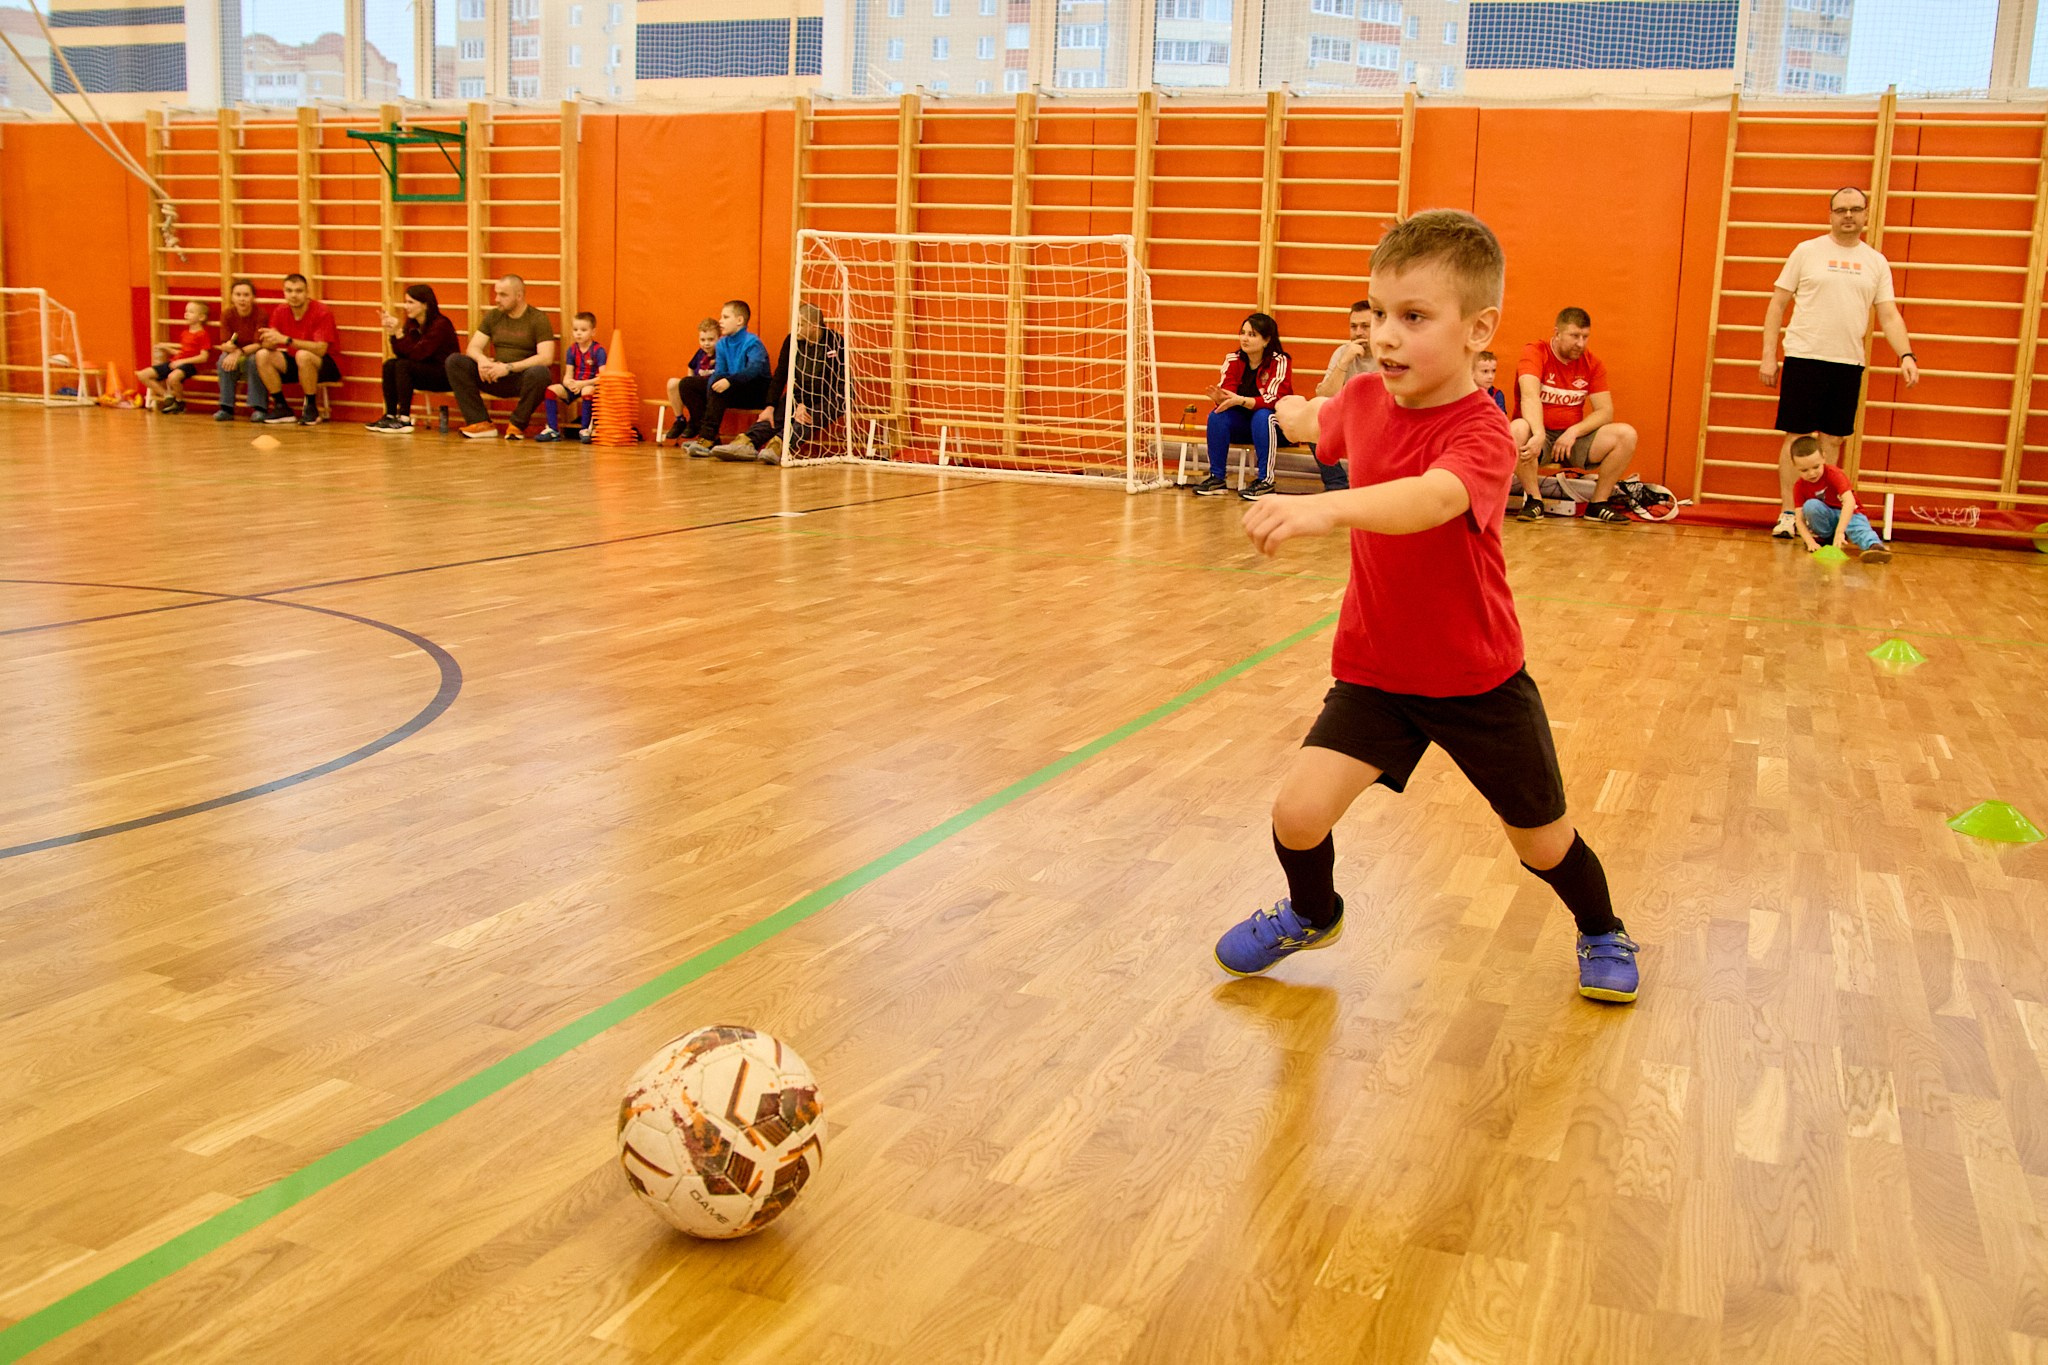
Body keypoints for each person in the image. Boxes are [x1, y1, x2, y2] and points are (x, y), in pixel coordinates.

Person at [1214, 208, 1638, 1004]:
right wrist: (1291, 411)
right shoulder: (1368, 397)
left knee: (1542, 842)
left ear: (1480, 329)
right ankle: (1314, 910)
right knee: (1298, 814)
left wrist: (1324, 509)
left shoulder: (1480, 432)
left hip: (1477, 680)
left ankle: (1602, 927)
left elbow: (1431, 497)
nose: (1386, 335)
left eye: (1414, 317)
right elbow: (1324, 420)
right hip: (1377, 670)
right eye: (1378, 314)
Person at [1761, 187, 1919, 540]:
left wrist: (1906, 354)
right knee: (1797, 438)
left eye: (1855, 209)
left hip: (1847, 362)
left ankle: (1823, 519)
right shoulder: (1807, 251)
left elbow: (1889, 315)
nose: (1848, 215)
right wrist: (1768, 355)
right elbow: (1777, 305)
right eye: (1841, 210)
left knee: (1832, 440)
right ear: (1830, 214)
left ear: (1866, 215)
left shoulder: (1875, 262)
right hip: (1805, 355)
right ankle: (1789, 513)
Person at [1511, 308, 1638, 523]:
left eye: (1585, 337)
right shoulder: (1535, 352)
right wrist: (1539, 434)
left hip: (1571, 441)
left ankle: (1598, 504)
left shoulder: (1592, 363)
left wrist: (1573, 432)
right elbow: (1529, 396)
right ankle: (1535, 501)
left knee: (1626, 434)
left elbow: (1605, 411)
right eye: (1574, 336)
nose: (1580, 343)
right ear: (1557, 333)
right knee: (1517, 429)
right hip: (1540, 437)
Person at [712, 303, 846, 464]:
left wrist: (806, 406)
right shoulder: (792, 340)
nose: (796, 329)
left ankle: (779, 445)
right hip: (801, 394)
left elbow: (836, 383)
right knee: (777, 413)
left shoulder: (836, 342)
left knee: (806, 418)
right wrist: (770, 405)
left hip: (832, 397)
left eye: (800, 325)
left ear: (813, 327)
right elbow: (780, 375)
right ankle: (747, 442)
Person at [1191, 312, 1293, 502]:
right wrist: (1220, 399)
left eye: (1252, 334)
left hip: (1274, 427)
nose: (1244, 338)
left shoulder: (1280, 361)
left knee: (1264, 416)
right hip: (1244, 424)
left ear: (1266, 340)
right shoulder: (1233, 359)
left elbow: (1273, 399)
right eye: (1243, 333)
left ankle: (1266, 480)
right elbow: (1229, 394)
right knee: (1217, 415)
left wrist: (1241, 400)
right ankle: (1217, 478)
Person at [446, 274, 556, 440]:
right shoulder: (494, 316)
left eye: (503, 295)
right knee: (455, 361)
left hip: (519, 377)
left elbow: (546, 357)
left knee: (541, 374)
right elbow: (473, 347)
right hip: (493, 375)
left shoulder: (538, 319)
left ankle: (517, 425)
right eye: (496, 294)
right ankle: (480, 422)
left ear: (519, 296)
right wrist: (482, 360)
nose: (497, 299)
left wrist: (508, 367)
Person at [674, 300, 771, 456]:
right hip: (732, 387)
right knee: (687, 384)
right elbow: (720, 371)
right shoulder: (722, 344)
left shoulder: (752, 342)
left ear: (739, 321)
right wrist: (713, 387)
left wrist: (729, 381)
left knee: (721, 388)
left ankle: (706, 438)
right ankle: (709, 436)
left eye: (725, 317)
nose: (720, 321)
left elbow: (754, 370)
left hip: (755, 391)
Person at [366, 284, 458, 433]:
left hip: (444, 375)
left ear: (425, 304)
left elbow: (419, 354)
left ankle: (404, 418)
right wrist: (393, 334)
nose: (406, 306)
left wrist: (399, 333)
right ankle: (390, 415)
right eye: (406, 302)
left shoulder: (440, 325)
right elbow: (402, 353)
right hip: (424, 370)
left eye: (410, 302)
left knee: (403, 366)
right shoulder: (412, 323)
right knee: (391, 364)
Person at [252, 273, 341, 426]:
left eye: (298, 291)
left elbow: (320, 349)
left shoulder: (321, 312)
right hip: (296, 360)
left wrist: (286, 340)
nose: (293, 295)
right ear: (284, 292)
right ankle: (281, 406)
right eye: (289, 291)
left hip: (326, 363)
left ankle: (311, 407)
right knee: (262, 355)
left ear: (307, 293)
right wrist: (268, 340)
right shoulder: (280, 311)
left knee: (303, 355)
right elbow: (271, 342)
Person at [1790, 435, 1893, 564]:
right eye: (1804, 470)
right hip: (1827, 517)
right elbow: (1799, 519)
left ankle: (1875, 547)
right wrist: (1810, 542)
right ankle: (1825, 538)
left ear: (1824, 457)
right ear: (1794, 466)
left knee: (1857, 527)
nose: (1811, 473)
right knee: (1810, 506)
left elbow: (1849, 502)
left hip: (1849, 513)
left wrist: (1840, 531)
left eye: (1816, 467)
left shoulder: (1834, 474)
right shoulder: (1799, 486)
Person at [1308, 300, 1376, 491]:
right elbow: (1323, 395)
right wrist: (1345, 361)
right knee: (1315, 419)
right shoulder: (1342, 352)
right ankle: (1336, 485)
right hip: (1352, 420)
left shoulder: (1390, 353)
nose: (1358, 332)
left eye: (1365, 326)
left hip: (1384, 422)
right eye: (1354, 326)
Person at [540, 312, 606, 442]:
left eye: (583, 330)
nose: (578, 333)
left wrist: (582, 384)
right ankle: (553, 429)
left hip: (589, 386)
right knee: (551, 390)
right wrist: (568, 382)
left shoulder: (598, 351)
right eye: (575, 330)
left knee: (587, 390)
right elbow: (569, 373)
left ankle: (585, 429)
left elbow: (603, 377)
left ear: (593, 332)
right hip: (575, 385)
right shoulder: (571, 350)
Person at [138, 300, 210, 415]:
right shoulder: (185, 333)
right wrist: (168, 349)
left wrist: (181, 361)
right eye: (186, 311)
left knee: (172, 377)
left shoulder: (202, 334)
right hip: (177, 361)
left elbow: (203, 357)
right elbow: (183, 352)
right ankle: (168, 396)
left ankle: (179, 402)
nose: (186, 314)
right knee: (143, 375)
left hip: (192, 365)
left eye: (191, 312)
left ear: (201, 317)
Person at [663, 320, 722, 445]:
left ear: (719, 338)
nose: (706, 344)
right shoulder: (700, 353)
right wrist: (689, 380)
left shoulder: (721, 354)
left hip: (710, 391)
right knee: (673, 383)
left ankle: (695, 424)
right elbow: (691, 366)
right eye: (703, 340)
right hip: (694, 391)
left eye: (711, 340)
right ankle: (680, 420)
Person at [214, 279, 266, 421]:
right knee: (222, 361)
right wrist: (228, 348)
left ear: (253, 297)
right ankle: (226, 407)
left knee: (254, 361)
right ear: (232, 297)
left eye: (246, 295)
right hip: (235, 351)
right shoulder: (227, 314)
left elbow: (258, 344)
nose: (242, 299)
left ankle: (259, 407)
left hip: (252, 351)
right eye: (238, 294)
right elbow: (224, 342)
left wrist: (238, 352)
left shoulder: (260, 314)